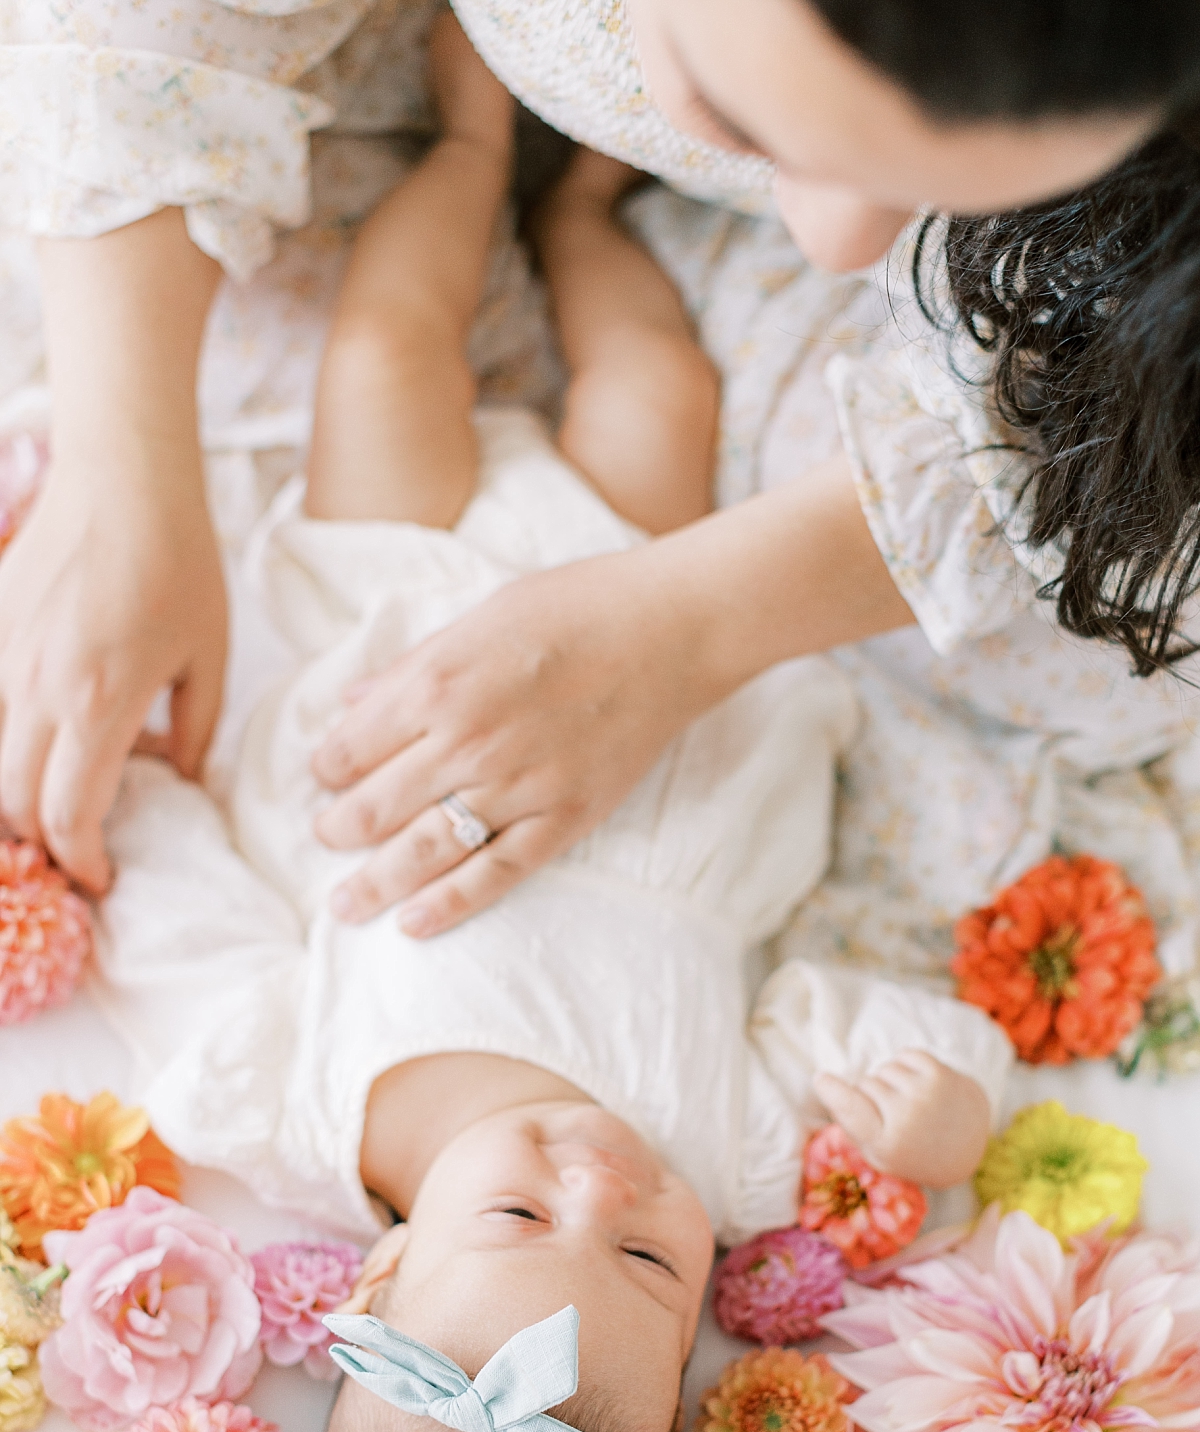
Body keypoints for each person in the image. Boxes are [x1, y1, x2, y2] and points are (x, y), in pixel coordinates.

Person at [89, 22, 1010, 1432]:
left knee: (384, 348)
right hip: (643, 645)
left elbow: (175, 933)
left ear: (378, 1270)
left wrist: (129, 802)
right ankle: (587, 218)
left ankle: (464, 154)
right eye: (652, 1264)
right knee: (658, 386)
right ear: (696, 1320)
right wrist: (939, 1121)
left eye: (518, 1213)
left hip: (398, 619)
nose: (603, 1183)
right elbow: (858, 1036)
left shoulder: (308, 1110)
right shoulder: (727, 1149)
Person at [3, 0, 1199, 917]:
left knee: (1097, 645)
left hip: (950, 320)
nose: (833, 235)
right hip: (407, 73)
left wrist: (690, 621)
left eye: (960, 186)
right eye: (750, 114)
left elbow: (1131, 439)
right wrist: (126, 464)